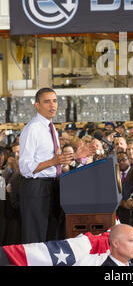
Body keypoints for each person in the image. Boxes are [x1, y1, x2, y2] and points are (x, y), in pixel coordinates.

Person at [19, 87, 95, 244]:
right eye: (46, 102)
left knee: (51, 237)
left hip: (54, 185)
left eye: (54, 101)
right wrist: (53, 162)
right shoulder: (32, 129)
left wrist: (76, 156)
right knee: (36, 238)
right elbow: (25, 167)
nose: (52, 105)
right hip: (36, 187)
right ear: (37, 105)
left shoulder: (51, 126)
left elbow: (56, 160)